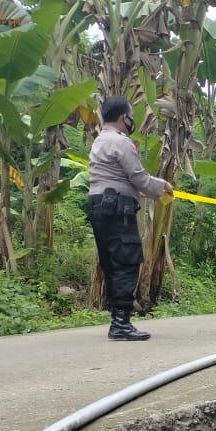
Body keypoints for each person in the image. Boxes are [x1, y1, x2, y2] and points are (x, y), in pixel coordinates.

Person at [87, 95, 174, 341]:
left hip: (98, 206)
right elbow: (139, 178)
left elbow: (121, 179)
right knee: (126, 261)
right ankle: (120, 324)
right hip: (117, 209)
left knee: (112, 263)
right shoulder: (122, 143)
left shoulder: (99, 141)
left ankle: (118, 320)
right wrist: (163, 186)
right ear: (124, 117)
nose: (132, 120)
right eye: (130, 116)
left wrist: (150, 190)